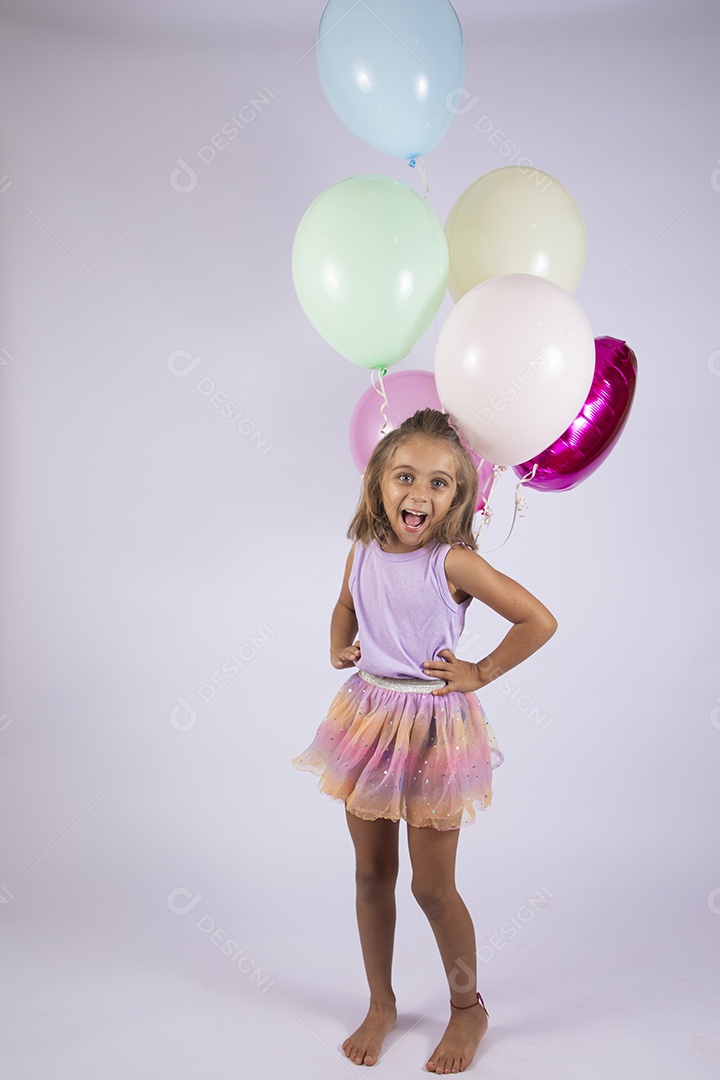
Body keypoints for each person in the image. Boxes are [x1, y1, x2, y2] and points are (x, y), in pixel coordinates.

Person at [291, 408, 557, 1074]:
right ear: (378, 481)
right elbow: (345, 602)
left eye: (440, 484)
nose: (419, 495)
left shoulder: (455, 562)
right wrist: (336, 641)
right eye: (405, 477)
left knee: (433, 888)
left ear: (461, 496)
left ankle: (468, 1010)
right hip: (369, 720)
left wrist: (481, 672)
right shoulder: (362, 550)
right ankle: (382, 1003)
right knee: (370, 872)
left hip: (435, 727)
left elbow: (538, 619)